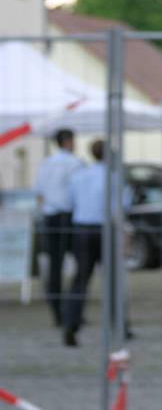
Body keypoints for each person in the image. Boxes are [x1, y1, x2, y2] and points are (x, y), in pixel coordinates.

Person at [35, 128, 85, 328]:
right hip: (69, 217)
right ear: (68, 142)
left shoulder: (46, 164)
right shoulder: (76, 163)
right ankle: (73, 311)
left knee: (55, 267)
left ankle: (58, 312)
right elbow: (80, 192)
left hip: (51, 217)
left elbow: (39, 194)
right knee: (83, 263)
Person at [62, 139, 109, 347]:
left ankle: (71, 324)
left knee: (80, 279)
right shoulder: (112, 176)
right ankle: (120, 324)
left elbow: (70, 203)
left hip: (82, 229)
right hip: (103, 229)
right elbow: (121, 206)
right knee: (112, 279)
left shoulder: (79, 176)